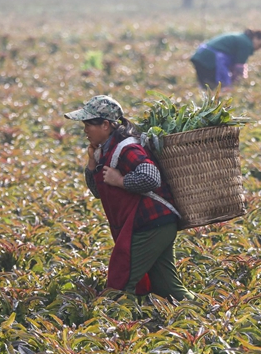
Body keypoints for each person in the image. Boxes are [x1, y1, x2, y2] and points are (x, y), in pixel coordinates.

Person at [65, 95, 193, 302]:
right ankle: (208, 312)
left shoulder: (128, 148)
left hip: (150, 225)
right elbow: (98, 191)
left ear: (105, 125)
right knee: (167, 287)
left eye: (89, 124)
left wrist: (121, 181)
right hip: (155, 225)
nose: (85, 130)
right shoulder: (105, 150)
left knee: (119, 285)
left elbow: (151, 177)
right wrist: (91, 163)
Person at [190, 29, 261, 90]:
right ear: (256, 37)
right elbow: (239, 68)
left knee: (206, 87)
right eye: (260, 45)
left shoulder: (242, 38)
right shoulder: (246, 44)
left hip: (200, 57)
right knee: (218, 88)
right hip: (210, 61)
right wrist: (241, 85)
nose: (257, 48)